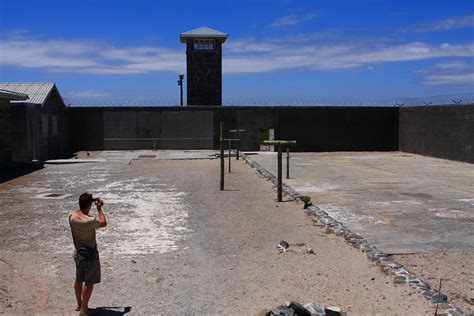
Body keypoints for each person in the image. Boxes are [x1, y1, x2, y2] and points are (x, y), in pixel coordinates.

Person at [69, 192, 107, 315]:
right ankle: (84, 310)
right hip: (90, 253)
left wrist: (87, 202)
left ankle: (79, 304)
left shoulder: (72, 217)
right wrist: (99, 209)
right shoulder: (90, 221)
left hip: (79, 253)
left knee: (79, 279)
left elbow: (79, 211)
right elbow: (103, 223)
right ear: (89, 205)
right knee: (89, 283)